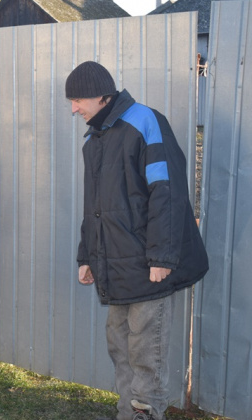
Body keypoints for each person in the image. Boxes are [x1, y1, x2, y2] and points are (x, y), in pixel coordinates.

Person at [65, 61, 208, 420]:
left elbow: (168, 192)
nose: (73, 108)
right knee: (121, 349)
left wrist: (162, 256)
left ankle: (145, 415)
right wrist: (88, 257)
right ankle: (126, 414)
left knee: (146, 356)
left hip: (148, 265)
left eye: (78, 99)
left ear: (102, 95)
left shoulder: (145, 122)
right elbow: (95, 208)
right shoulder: (95, 139)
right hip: (116, 266)